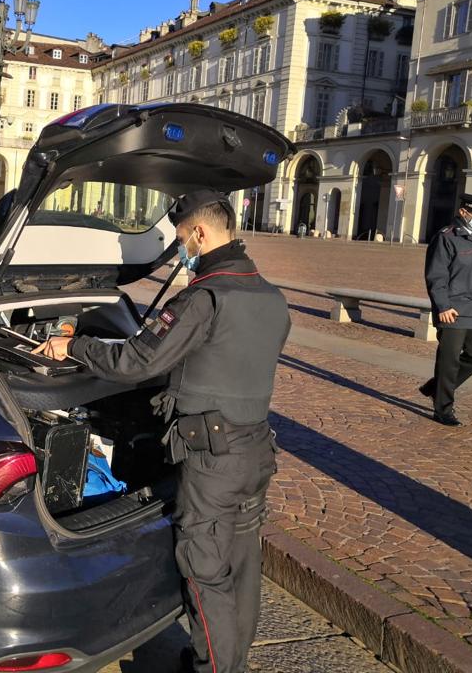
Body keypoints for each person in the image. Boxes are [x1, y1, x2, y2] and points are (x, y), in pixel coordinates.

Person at [34, 190, 290, 673]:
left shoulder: (204, 297)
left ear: (198, 233)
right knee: (242, 568)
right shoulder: (267, 294)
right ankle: (228, 660)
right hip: (255, 448)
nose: (182, 252)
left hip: (212, 457)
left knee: (204, 568)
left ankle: (212, 667)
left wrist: (75, 346)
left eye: (180, 240)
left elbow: (136, 360)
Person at [419, 193, 472, 426]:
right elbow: (436, 275)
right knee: (449, 361)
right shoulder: (446, 237)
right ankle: (443, 409)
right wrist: (443, 306)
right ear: (464, 212)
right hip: (453, 310)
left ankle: (435, 386)